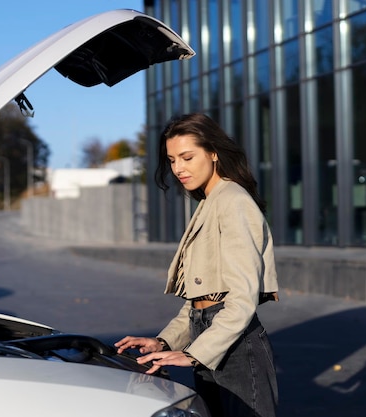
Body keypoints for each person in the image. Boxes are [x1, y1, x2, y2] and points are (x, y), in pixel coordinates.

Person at [115, 113, 279, 417]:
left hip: (236, 345)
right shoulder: (209, 201)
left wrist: (194, 354)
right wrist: (163, 341)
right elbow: (201, 301)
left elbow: (241, 300)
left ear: (214, 153)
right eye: (172, 159)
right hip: (208, 335)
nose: (178, 168)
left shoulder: (233, 200)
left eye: (187, 157)